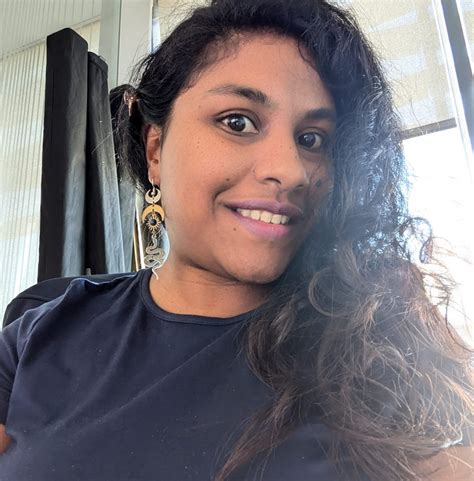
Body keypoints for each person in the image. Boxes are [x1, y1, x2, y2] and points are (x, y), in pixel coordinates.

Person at [0, 1, 472, 480]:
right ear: (155, 148)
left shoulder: (381, 341)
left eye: (312, 139)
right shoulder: (40, 332)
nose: (290, 171)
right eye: (238, 122)